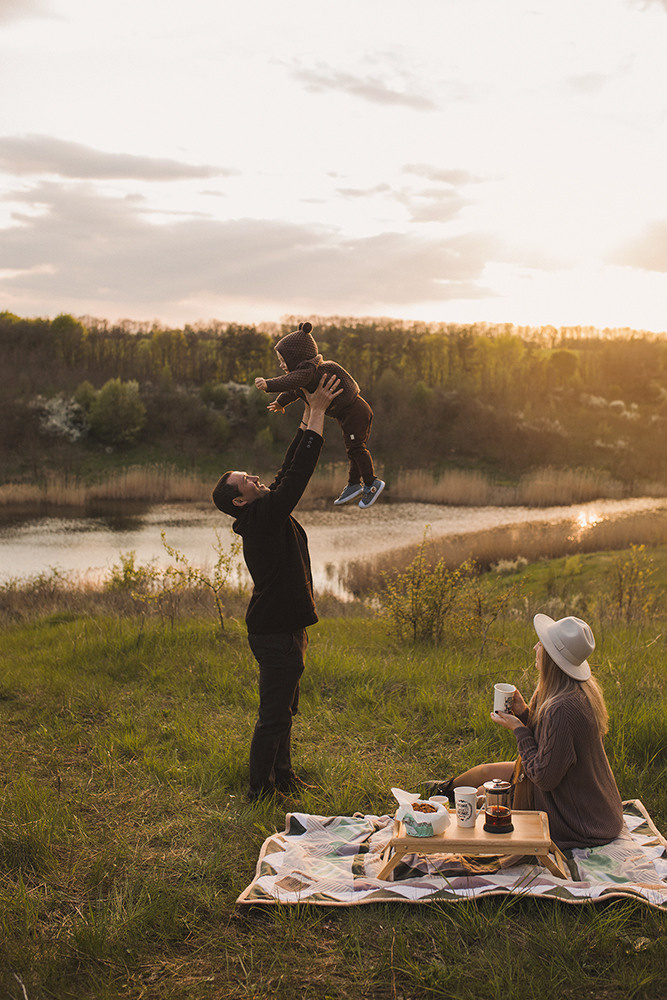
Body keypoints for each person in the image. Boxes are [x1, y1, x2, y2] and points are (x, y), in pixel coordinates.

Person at [212, 373, 342, 801]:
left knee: (285, 710)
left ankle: (283, 777)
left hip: (285, 628)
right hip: (274, 632)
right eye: (247, 481)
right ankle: (260, 791)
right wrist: (319, 412)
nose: (255, 478)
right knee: (273, 715)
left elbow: (287, 469)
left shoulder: (261, 511)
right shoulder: (262, 519)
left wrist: (307, 411)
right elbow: (298, 475)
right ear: (239, 500)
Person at [424, 615, 624, 850]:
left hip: (580, 817)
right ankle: (443, 790)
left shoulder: (562, 708)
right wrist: (525, 715)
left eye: (541, 644)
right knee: (487, 771)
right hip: (584, 795)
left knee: (482, 793)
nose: (535, 648)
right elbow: (553, 742)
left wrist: (519, 729)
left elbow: (544, 777)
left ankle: (445, 807)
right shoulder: (569, 690)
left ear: (551, 657)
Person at [254, 321, 385, 509]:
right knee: (353, 448)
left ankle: (372, 483)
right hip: (348, 413)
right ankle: (354, 484)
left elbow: (292, 381)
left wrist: (269, 384)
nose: (281, 365)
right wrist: (281, 402)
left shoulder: (310, 371)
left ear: (296, 358)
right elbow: (296, 390)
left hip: (355, 411)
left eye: (283, 360)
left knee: (356, 448)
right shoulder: (307, 375)